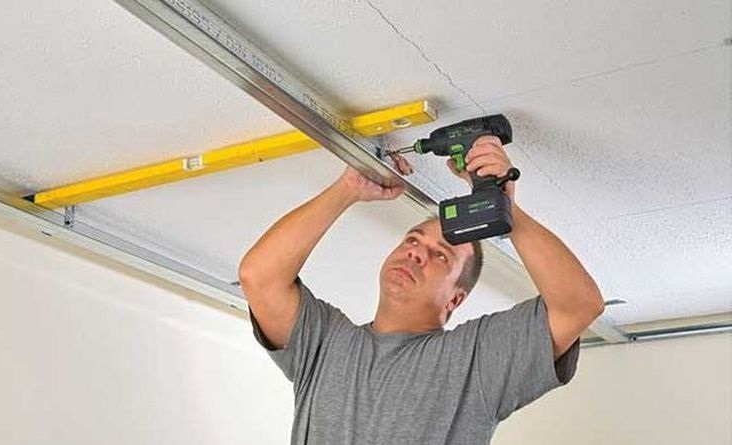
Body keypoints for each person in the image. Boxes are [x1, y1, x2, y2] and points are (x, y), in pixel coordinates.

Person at [238, 135, 605, 445]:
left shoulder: (474, 362)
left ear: (455, 298)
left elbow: (579, 306)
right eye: (412, 239)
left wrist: (504, 210)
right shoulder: (325, 343)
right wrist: (348, 188)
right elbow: (258, 276)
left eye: (440, 255)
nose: (416, 253)